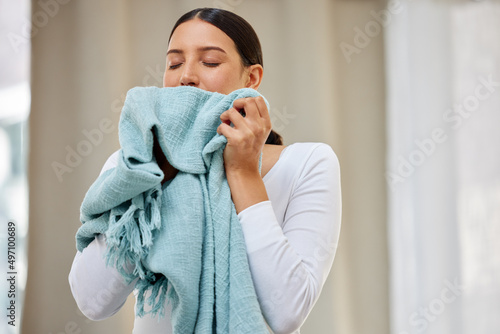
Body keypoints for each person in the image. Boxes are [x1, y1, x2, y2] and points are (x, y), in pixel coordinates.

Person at [69, 7, 341, 334]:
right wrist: (154, 175)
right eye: (174, 63)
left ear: (251, 79)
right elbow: (92, 302)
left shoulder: (307, 163)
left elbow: (286, 313)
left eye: (210, 62)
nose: (187, 76)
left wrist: (243, 173)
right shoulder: (134, 165)